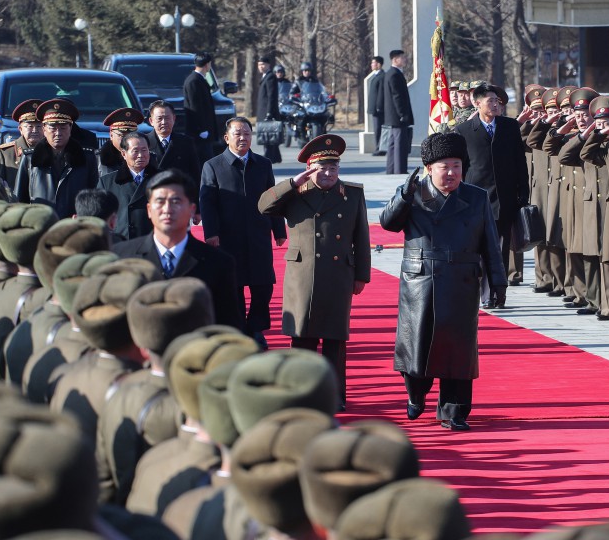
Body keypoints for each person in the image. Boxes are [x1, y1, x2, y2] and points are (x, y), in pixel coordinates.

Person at [379, 132, 506, 431]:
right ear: (429, 168)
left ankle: (454, 412)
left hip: (461, 281)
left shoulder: (476, 197)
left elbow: (489, 242)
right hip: (420, 281)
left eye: (457, 166)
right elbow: (387, 223)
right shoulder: (413, 193)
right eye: (444, 166)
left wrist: (498, 282)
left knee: (458, 350)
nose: (451, 173)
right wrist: (403, 195)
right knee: (415, 344)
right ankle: (416, 394)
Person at [257, 134, 371, 410]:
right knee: (302, 338)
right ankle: (301, 393)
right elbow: (264, 206)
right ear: (310, 169)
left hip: (338, 275)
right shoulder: (295, 194)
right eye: (323, 168)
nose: (329, 173)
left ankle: (334, 395)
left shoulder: (351, 195)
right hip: (303, 276)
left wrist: (361, 276)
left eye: (334, 168)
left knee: (334, 341)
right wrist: (293, 183)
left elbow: (362, 237)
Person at [113, 168, 242, 329]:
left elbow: (227, 326)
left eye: (176, 201)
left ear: (192, 210)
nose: (167, 209)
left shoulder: (218, 263)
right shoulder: (122, 257)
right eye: (160, 201)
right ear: (149, 210)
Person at [199, 117, 285, 345]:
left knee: (263, 284)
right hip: (228, 235)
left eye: (247, 133)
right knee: (233, 285)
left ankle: (256, 329)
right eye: (237, 133)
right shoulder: (213, 165)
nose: (243, 138)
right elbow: (207, 202)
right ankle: (237, 329)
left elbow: (272, 198)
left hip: (258, 233)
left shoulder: (263, 164)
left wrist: (279, 229)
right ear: (227, 138)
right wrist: (211, 232)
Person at [454, 83, 530, 306]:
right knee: (476, 249)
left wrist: (522, 194)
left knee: (500, 250)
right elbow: (461, 167)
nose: (496, 104)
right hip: (475, 200)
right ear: (477, 104)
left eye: (498, 101)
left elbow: (520, 163)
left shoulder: (509, 127)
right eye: (491, 101)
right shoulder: (463, 131)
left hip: (504, 199)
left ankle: (496, 295)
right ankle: (476, 292)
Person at [14, 99, 99, 218]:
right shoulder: (30, 159)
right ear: (44, 129)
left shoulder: (87, 158)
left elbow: (95, 199)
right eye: (53, 128)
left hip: (75, 227)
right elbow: (19, 200)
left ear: (71, 128)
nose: (58, 133)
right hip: (41, 228)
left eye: (63, 128)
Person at [97, 131, 159, 241]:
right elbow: (100, 217)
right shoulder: (107, 182)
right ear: (124, 154)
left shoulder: (162, 179)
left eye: (144, 150)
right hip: (121, 244)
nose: (140, 155)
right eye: (135, 151)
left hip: (152, 243)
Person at [144, 99, 201, 185]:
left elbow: (195, 175)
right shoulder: (144, 142)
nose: (164, 122)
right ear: (151, 121)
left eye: (167, 118)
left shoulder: (186, 143)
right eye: (159, 118)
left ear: (174, 118)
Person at [0, 99, 42, 189]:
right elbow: (1, 186)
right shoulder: (6, 152)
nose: (35, 130)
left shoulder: (52, 149)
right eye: (30, 126)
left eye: (39, 126)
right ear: (20, 129)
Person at [383, 49, 414, 174]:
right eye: (402, 57)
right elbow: (397, 96)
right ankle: (399, 170)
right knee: (400, 145)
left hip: (393, 116)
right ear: (395, 59)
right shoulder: (395, 74)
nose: (405, 60)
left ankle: (391, 169)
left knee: (392, 144)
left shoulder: (390, 73)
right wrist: (402, 114)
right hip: (398, 116)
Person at [183, 52, 217, 164]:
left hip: (203, 131)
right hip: (198, 133)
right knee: (203, 161)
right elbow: (195, 107)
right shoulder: (194, 81)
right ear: (207, 64)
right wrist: (201, 129)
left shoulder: (199, 79)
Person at [98, 108, 145, 177]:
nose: (127, 139)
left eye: (131, 135)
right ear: (111, 135)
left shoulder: (145, 157)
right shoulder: (98, 160)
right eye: (122, 135)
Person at [256, 54, 282, 164]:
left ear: (268, 65)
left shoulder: (270, 76)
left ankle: (269, 156)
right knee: (268, 136)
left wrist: (269, 112)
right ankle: (274, 157)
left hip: (268, 111)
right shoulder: (264, 76)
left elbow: (271, 96)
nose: (261, 66)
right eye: (259, 65)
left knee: (269, 136)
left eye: (263, 64)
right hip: (263, 110)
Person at [367, 55, 385, 156]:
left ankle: (380, 148)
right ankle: (378, 146)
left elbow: (381, 93)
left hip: (379, 109)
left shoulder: (382, 76)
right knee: (376, 128)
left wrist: (379, 106)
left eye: (373, 63)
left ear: (378, 64)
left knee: (379, 129)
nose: (371, 65)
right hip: (374, 109)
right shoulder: (376, 76)